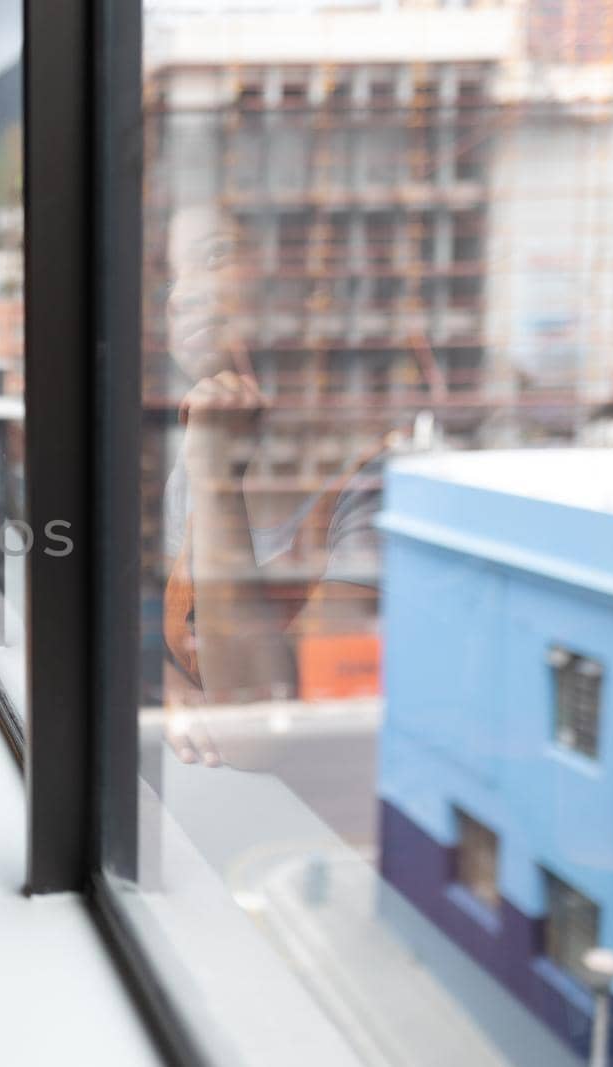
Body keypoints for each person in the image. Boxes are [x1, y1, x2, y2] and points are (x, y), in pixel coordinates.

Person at [158, 202, 402, 769]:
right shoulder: (196, 466)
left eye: (215, 255)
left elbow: (262, 733)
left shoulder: (377, 487)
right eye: (170, 276)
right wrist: (175, 701)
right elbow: (182, 653)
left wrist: (218, 477)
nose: (180, 295)